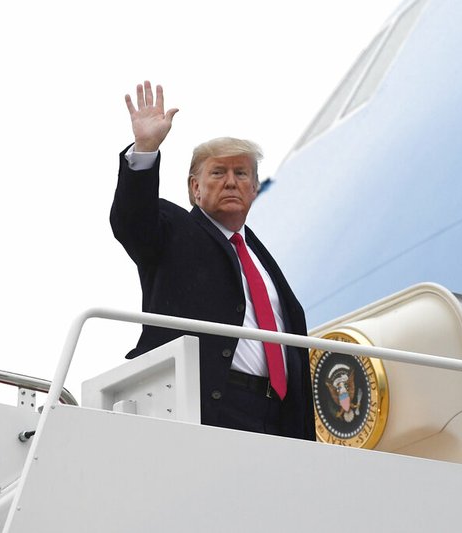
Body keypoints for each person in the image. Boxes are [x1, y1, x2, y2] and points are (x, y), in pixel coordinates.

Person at [110, 81, 315, 440]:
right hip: (208, 407)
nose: (231, 182)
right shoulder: (173, 230)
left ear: (254, 188)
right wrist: (145, 149)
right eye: (218, 173)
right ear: (195, 188)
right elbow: (132, 221)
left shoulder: (262, 260)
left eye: (241, 174)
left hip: (277, 418)